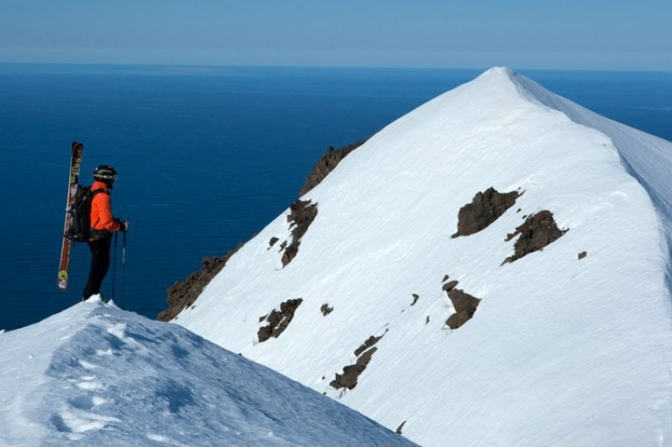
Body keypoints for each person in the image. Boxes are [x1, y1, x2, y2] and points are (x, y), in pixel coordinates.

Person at [83, 165, 129, 300]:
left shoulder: (93, 191)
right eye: (113, 178)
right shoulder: (102, 196)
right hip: (99, 236)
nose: (114, 181)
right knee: (99, 266)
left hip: (92, 234)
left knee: (100, 265)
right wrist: (121, 226)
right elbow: (106, 222)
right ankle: (90, 296)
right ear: (107, 178)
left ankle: (92, 294)